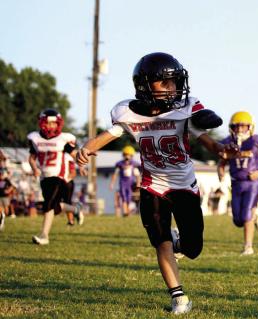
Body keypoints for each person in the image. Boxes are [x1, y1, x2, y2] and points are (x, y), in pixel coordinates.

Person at [76, 52, 238, 315]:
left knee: (193, 248)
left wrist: (222, 150)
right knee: (160, 241)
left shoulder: (186, 107)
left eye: (174, 81)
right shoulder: (128, 112)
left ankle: (180, 244)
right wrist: (86, 148)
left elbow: (205, 140)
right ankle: (179, 297)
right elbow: (109, 135)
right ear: (145, 86)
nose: (173, 88)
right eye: (165, 82)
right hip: (153, 185)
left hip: (184, 186)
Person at [217, 111, 258, 255]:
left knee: (246, 216)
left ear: (250, 127)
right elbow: (222, 163)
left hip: (252, 183)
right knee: (238, 220)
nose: (239, 129)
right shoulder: (228, 143)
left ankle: (248, 246)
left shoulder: (256, 142)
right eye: (236, 127)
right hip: (236, 183)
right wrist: (220, 172)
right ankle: (255, 216)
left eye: (243, 126)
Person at [28, 109, 83, 245]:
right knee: (54, 207)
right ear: (42, 123)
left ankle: (44, 236)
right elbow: (32, 158)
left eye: (54, 123)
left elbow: (74, 154)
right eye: (49, 123)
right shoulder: (35, 138)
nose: (51, 126)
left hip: (58, 176)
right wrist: (34, 168)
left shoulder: (63, 139)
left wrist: (82, 164)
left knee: (48, 205)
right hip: (44, 176)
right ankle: (75, 209)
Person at [109, 145, 141, 217]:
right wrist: (112, 183)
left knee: (129, 197)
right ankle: (125, 212)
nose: (127, 157)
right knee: (123, 197)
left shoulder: (134, 165)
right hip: (123, 182)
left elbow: (137, 175)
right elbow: (115, 174)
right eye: (126, 155)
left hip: (131, 183)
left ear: (131, 156)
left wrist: (138, 183)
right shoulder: (120, 164)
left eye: (129, 155)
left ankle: (127, 211)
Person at [64, 153, 85, 226]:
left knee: (66, 202)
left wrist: (64, 180)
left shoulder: (67, 157)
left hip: (67, 182)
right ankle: (75, 213)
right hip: (59, 182)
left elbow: (73, 173)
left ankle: (71, 219)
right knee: (59, 203)